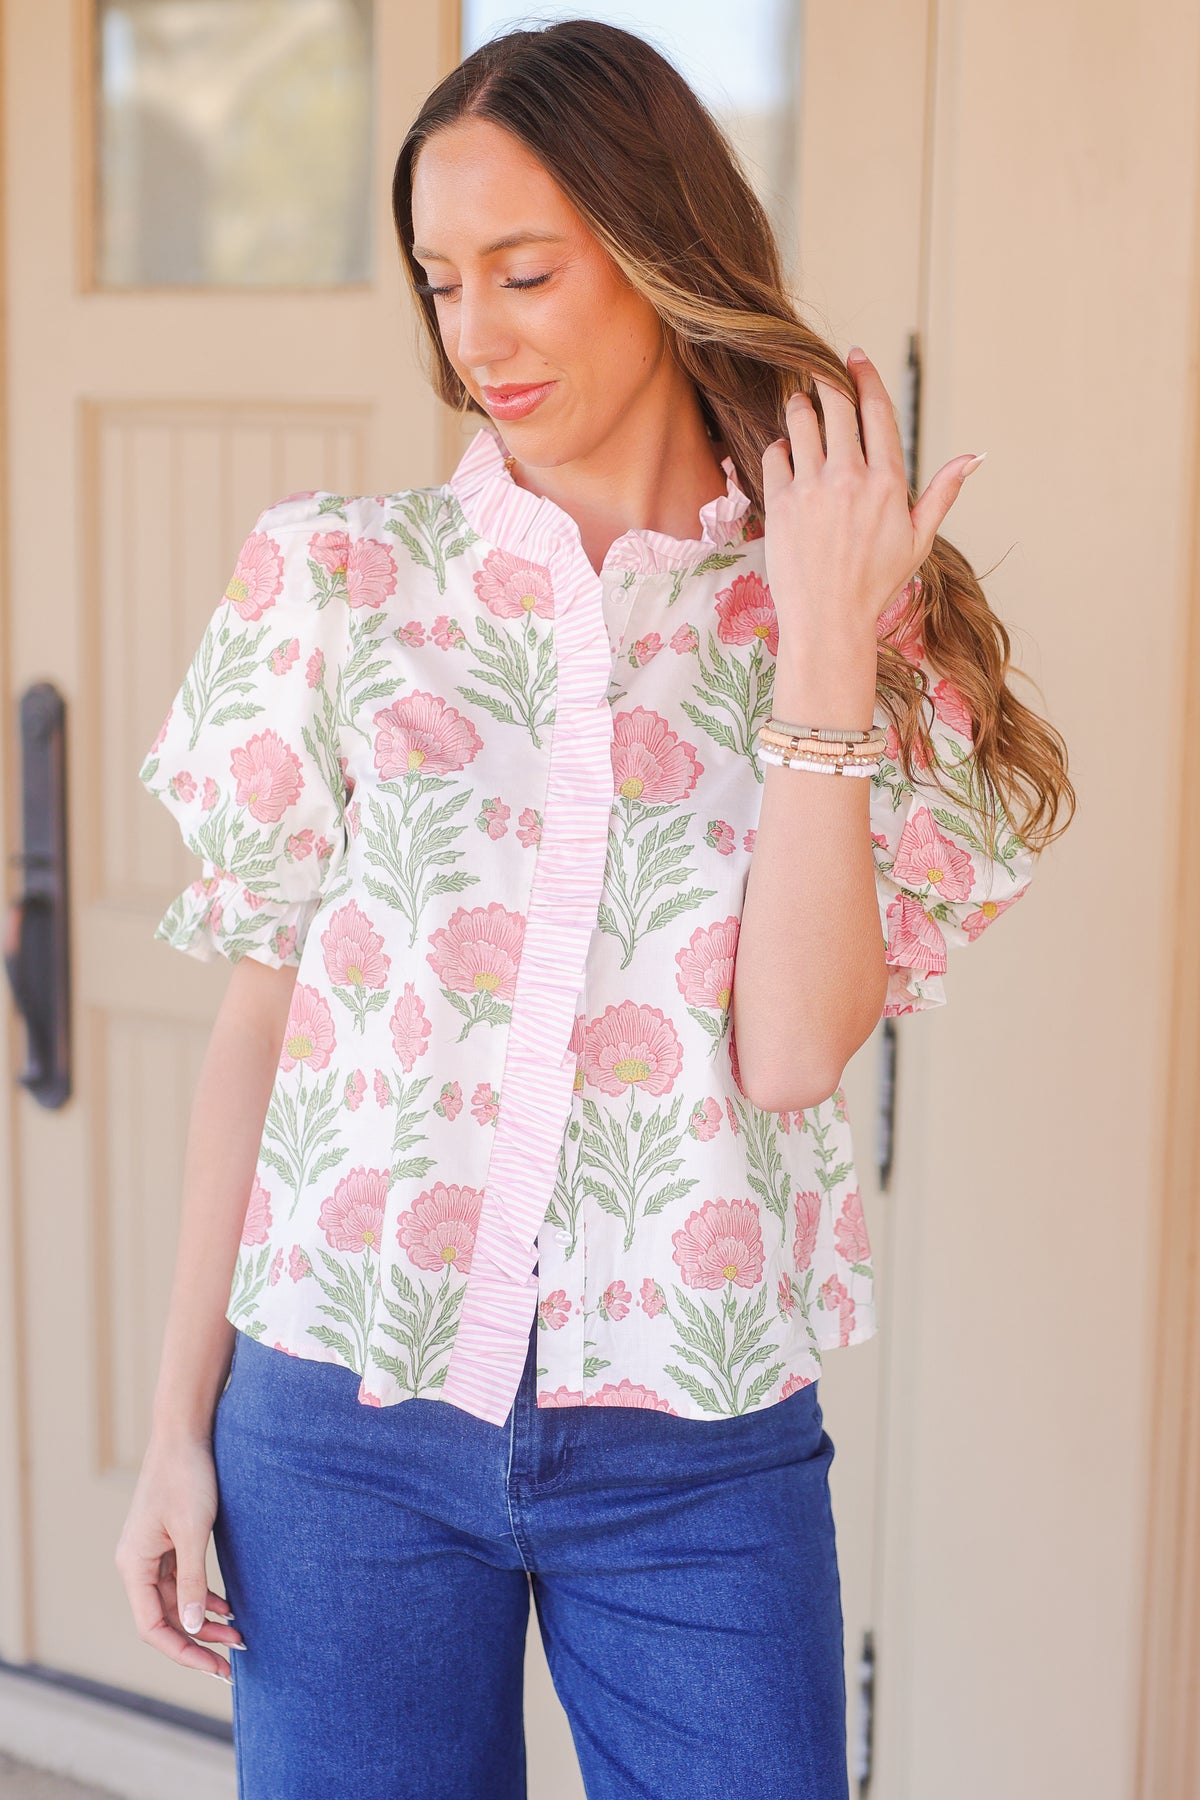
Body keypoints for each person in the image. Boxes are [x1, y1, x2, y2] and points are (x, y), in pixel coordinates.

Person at [115, 19, 1074, 1799]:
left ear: (656, 251)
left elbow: (792, 1057)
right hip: (336, 1423)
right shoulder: (334, 580)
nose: (476, 333)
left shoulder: (840, 622)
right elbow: (263, 1026)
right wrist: (176, 1431)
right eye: (441, 281)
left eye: (527, 271)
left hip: (695, 1448)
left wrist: (815, 654)